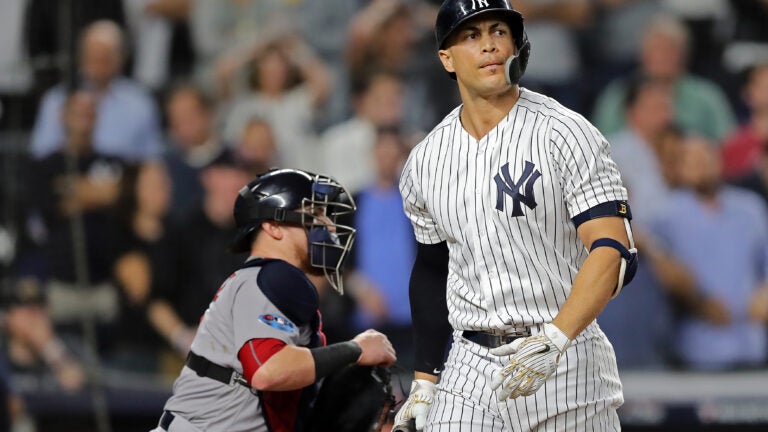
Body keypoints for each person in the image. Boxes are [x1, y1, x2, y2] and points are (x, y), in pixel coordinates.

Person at [393, 1, 636, 430]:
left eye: (498, 32)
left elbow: (612, 249)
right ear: (446, 58)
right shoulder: (425, 160)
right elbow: (432, 270)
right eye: (471, 35)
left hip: (566, 354)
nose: (489, 45)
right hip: (471, 363)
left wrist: (556, 338)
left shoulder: (565, 131)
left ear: (517, 45)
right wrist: (426, 379)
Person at [151, 168, 396, 431]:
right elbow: (268, 370)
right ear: (273, 226)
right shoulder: (268, 278)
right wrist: (355, 350)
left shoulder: (270, 281)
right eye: (313, 215)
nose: (329, 227)